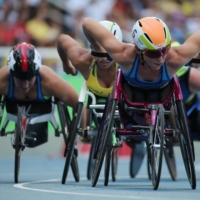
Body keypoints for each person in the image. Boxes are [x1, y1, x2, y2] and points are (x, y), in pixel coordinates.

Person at [0, 42, 83, 145]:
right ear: (12, 74)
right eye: (21, 79)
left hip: (42, 110)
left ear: (37, 72)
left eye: (30, 78)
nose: (25, 85)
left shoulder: (51, 82)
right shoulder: (2, 80)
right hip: (13, 107)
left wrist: (78, 133)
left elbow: (79, 105)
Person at [57, 20, 123, 142]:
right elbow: (62, 39)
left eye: (108, 53)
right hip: (93, 99)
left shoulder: (126, 60)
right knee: (88, 105)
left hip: (121, 101)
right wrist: (66, 65)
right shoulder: (81, 60)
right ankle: (85, 129)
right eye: (98, 53)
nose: (104, 59)